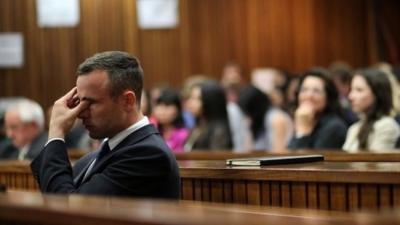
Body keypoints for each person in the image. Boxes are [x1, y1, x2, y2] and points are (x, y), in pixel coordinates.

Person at [30, 51, 180, 199]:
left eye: (91, 103)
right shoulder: (105, 152)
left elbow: (67, 211)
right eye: (79, 102)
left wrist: (56, 133)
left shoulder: (149, 155)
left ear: (127, 101)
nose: (80, 113)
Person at [288, 69, 348, 150]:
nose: (309, 95)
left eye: (316, 91)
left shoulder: (335, 127)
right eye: (304, 90)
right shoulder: (305, 119)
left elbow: (307, 161)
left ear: (328, 97)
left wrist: (303, 132)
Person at [343, 69, 400, 152]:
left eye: (359, 90)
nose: (351, 96)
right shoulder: (354, 128)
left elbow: (374, 163)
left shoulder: (386, 126)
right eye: (351, 90)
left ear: (377, 93)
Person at [238, 85, 293, 152]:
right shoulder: (258, 121)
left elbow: (279, 152)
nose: (248, 117)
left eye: (248, 113)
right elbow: (248, 149)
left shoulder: (276, 118)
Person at [184, 80, 233, 150]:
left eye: (197, 99)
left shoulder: (219, 130)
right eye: (190, 97)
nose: (190, 102)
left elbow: (215, 159)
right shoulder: (199, 125)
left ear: (210, 101)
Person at [153, 88, 189, 152]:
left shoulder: (183, 134)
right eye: (159, 105)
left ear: (178, 110)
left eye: (167, 106)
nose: (161, 111)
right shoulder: (152, 130)